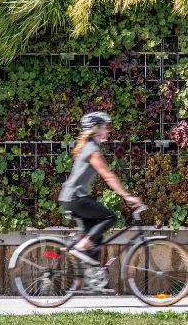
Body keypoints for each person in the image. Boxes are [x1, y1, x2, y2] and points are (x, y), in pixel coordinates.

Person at [58, 111, 141, 266]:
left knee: (96, 239)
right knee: (110, 217)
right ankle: (81, 246)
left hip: (71, 197)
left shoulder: (88, 147)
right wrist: (127, 196)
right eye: (105, 126)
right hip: (75, 198)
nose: (108, 130)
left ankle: (90, 279)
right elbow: (108, 176)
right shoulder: (91, 150)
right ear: (96, 128)